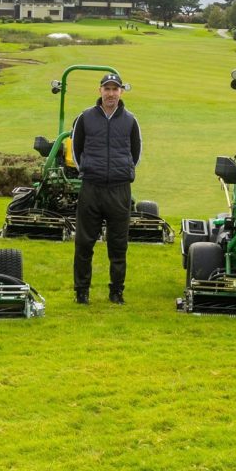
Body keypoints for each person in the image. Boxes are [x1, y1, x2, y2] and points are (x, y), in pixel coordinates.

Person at [70, 72, 142, 305]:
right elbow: (76, 148)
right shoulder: (85, 117)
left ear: (121, 91)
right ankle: (82, 292)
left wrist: (122, 171)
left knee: (118, 244)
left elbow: (136, 152)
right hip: (91, 188)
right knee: (83, 243)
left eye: (115, 89)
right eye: (107, 89)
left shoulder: (130, 120)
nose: (111, 93)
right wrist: (90, 170)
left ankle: (116, 292)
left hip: (119, 190)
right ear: (99, 90)